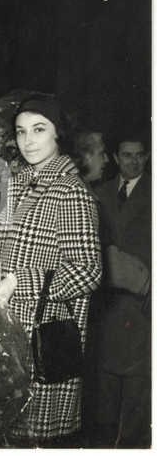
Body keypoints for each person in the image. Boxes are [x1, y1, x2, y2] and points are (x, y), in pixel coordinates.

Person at [0, 93, 102, 446]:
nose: (28, 140)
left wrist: (17, 282)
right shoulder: (18, 184)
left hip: (41, 342)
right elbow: (4, 262)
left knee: (30, 440)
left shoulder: (70, 191)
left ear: (59, 135)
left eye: (39, 130)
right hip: (3, 336)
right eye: (22, 131)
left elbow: (88, 271)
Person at [89, 134, 151, 447]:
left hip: (143, 308)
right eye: (127, 155)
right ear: (115, 157)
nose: (134, 161)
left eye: (140, 155)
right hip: (107, 309)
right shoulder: (97, 193)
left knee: (137, 404)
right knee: (105, 400)